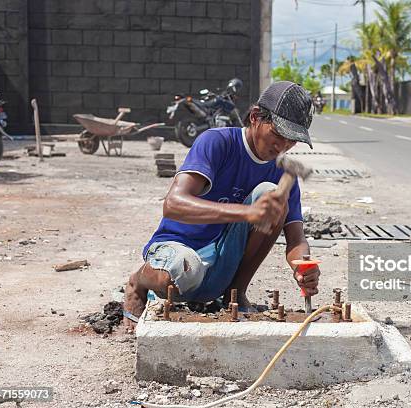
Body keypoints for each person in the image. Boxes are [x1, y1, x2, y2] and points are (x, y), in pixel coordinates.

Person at [123, 81, 320, 330]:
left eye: (291, 141)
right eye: (278, 135)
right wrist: (247, 213)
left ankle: (234, 294)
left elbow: (296, 239)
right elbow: (172, 204)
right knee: (177, 272)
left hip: (223, 261)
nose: (282, 146)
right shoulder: (217, 143)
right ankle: (138, 282)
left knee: (270, 195)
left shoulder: (283, 174)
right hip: (179, 250)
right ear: (256, 117)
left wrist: (302, 266)